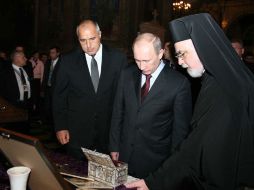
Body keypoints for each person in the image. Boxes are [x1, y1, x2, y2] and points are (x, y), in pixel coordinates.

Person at [126, 13, 254, 190]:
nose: (180, 61)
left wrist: (155, 181)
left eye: (182, 54)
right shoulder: (215, 80)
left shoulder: (223, 89)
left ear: (203, 47)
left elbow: (194, 148)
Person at [109, 33, 192, 178]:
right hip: (124, 154)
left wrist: (172, 167)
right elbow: (118, 112)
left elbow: (180, 132)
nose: (141, 66)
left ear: (160, 54)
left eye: (147, 60)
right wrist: (114, 145)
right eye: (137, 60)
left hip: (156, 161)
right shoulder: (126, 74)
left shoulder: (179, 84)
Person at [52, 19, 127, 160]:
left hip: (107, 133)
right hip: (77, 132)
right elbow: (59, 97)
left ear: (100, 34)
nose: (88, 45)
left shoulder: (118, 59)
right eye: (83, 40)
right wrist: (60, 126)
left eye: (92, 39)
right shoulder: (67, 61)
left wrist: (120, 132)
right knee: (76, 176)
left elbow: (122, 97)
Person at [0, 51, 32, 133]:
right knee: (15, 130)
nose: (26, 59)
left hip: (26, 104)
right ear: (17, 59)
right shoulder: (6, 72)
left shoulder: (26, 69)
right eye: (23, 57)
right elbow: (3, 90)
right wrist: (11, 103)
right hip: (13, 106)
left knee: (25, 129)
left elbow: (30, 86)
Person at [42, 46, 61, 125]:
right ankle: (48, 123)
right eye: (50, 53)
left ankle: (55, 124)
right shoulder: (48, 62)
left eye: (53, 53)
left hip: (56, 89)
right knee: (47, 107)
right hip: (47, 88)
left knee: (55, 107)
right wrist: (42, 89)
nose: (51, 54)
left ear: (58, 53)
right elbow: (45, 75)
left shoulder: (62, 62)